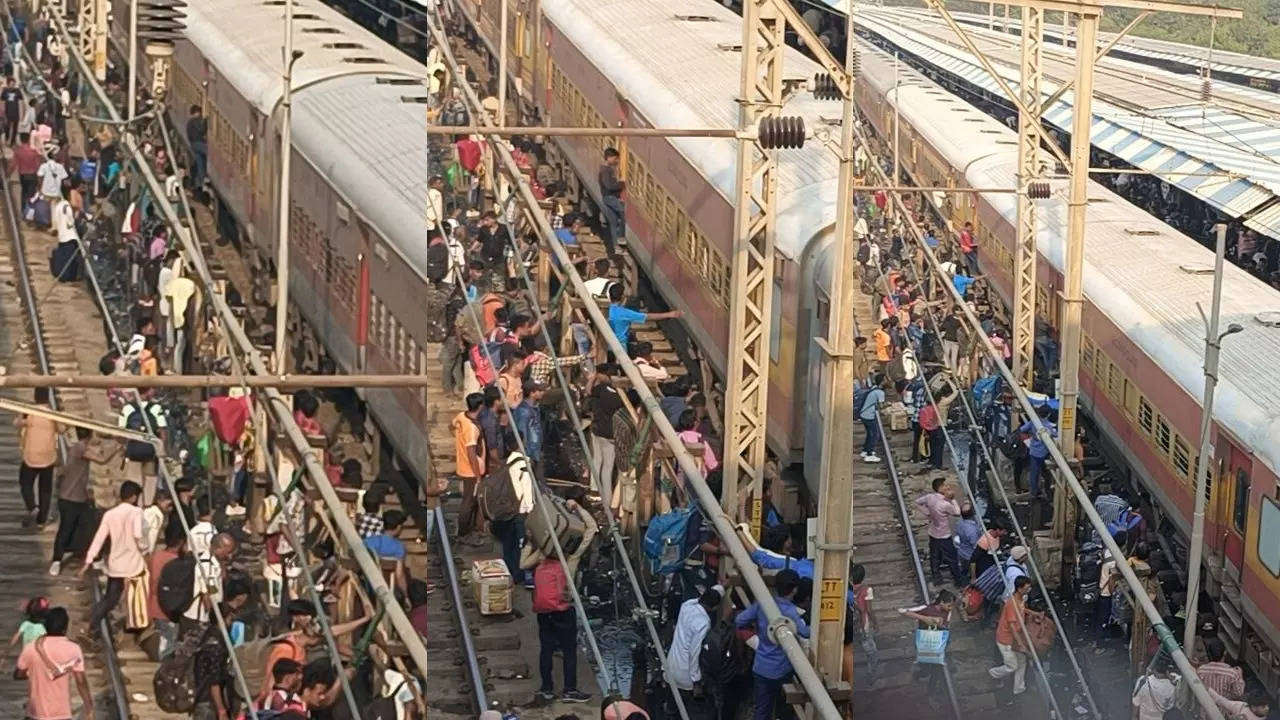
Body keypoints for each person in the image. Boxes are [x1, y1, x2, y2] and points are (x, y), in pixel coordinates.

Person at [736, 569, 810, 720]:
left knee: (762, 710)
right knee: (785, 711)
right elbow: (805, 633)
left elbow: (739, 620)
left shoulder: (762, 605)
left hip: (761, 667)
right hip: (783, 670)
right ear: (794, 590)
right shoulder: (790, 612)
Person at [81, 481, 148, 639]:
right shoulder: (137, 512)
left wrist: (88, 560)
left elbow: (99, 538)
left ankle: (93, 622)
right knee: (136, 597)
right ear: (133, 497)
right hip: (134, 564)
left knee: (111, 599)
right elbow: (138, 535)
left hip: (116, 564)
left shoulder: (110, 514)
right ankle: (135, 626)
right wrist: (145, 548)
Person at [50, 428, 118, 575]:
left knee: (89, 527)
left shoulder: (78, 447)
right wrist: (117, 446)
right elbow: (102, 460)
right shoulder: (80, 448)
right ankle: (56, 560)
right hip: (70, 498)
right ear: (90, 434)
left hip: (79, 497)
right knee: (67, 529)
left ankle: (95, 559)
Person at [15, 607, 92, 720]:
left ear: (45, 627)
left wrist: (35, 673)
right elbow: (80, 681)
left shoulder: (31, 647)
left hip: (35, 714)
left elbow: (18, 674)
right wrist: (88, 706)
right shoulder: (73, 649)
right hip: (61, 714)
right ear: (65, 628)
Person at [532, 555, 590, 704]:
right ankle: (569, 689)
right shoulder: (566, 565)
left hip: (543, 612)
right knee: (569, 651)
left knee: (546, 649)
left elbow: (523, 564)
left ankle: (546, 688)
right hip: (562, 612)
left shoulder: (540, 564)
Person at [17, 388, 60, 528]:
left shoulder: (30, 412)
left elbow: (16, 423)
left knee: (25, 483)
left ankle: (32, 507)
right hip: (48, 457)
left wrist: (21, 413)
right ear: (47, 398)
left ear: (35, 397)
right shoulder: (53, 414)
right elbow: (63, 428)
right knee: (45, 490)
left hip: (31, 456)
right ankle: (42, 521)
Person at [667, 586, 721, 692]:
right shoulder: (704, 622)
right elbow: (694, 651)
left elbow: (694, 601)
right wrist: (696, 679)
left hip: (670, 666)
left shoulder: (686, 607)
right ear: (714, 608)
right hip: (685, 673)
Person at [901, 590, 954, 697]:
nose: (950, 608)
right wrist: (925, 619)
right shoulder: (927, 609)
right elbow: (903, 611)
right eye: (949, 605)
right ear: (942, 602)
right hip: (925, 644)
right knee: (926, 669)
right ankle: (919, 674)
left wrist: (941, 625)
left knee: (936, 670)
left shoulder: (948, 612)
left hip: (938, 644)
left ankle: (930, 693)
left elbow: (947, 625)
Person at [988, 575, 1032, 695]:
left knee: (1022, 661)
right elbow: (1012, 626)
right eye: (1027, 588)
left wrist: (1035, 613)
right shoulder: (1012, 604)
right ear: (1019, 588)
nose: (1029, 589)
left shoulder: (1021, 600)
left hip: (1013, 637)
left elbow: (1023, 610)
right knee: (1012, 665)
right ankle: (993, 673)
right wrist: (1020, 643)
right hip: (1005, 639)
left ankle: (1019, 687)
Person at [191, 604, 236, 720]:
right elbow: (214, 680)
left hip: (201, 699)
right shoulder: (215, 646)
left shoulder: (206, 635)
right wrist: (221, 709)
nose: (231, 623)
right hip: (208, 703)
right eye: (230, 619)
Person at [147, 523, 185, 659]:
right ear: (181, 543)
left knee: (163, 636)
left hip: (153, 604)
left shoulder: (155, 556)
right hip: (168, 609)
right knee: (168, 640)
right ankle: (164, 668)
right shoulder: (176, 562)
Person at [588, 363, 624, 507]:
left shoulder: (601, 390)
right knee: (610, 466)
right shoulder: (623, 396)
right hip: (615, 433)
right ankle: (610, 499)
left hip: (599, 430)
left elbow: (588, 391)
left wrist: (592, 378)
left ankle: (598, 492)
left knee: (600, 462)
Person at [452, 392, 486, 538]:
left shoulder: (461, 416)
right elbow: (471, 453)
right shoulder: (471, 428)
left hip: (463, 465)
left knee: (470, 499)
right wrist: (478, 476)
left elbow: (451, 426)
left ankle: (468, 529)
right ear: (480, 406)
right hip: (471, 470)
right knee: (469, 501)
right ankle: (463, 532)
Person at [916, 478, 962, 586]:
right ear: (940, 488)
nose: (947, 487)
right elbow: (957, 512)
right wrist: (953, 499)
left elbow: (917, 502)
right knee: (952, 558)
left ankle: (936, 577)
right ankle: (958, 580)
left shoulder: (929, 497)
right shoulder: (944, 504)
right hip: (944, 535)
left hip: (933, 532)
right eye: (945, 486)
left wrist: (927, 513)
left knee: (934, 555)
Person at [606, 283, 681, 349]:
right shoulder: (623, 313)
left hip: (609, 343)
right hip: (620, 345)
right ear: (622, 296)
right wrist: (670, 314)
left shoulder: (608, 309)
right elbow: (647, 317)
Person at [849, 564, 880, 687]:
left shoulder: (848, 589)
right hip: (863, 626)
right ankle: (871, 675)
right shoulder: (867, 589)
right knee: (872, 653)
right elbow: (869, 610)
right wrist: (876, 623)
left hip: (851, 625)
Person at [1017, 410, 1056, 497]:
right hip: (1045, 452)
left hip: (1034, 451)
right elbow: (1055, 434)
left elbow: (1022, 429)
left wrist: (1031, 435)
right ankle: (1047, 491)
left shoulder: (1033, 422)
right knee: (1047, 474)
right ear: (1048, 414)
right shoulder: (1049, 425)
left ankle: (1034, 492)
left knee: (1034, 473)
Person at [5, 596, 49, 670]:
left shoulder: (26, 623)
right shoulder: (43, 627)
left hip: (26, 652)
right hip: (38, 655)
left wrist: (9, 648)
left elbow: (16, 636)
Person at [1196, 637, 1244, 701]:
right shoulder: (1233, 674)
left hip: (1205, 708)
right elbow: (1239, 693)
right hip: (1225, 709)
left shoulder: (1200, 671)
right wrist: (1240, 675)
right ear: (1224, 653)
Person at [598, 147, 626, 250]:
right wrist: (621, 184)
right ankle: (621, 238)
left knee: (613, 222)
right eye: (615, 158)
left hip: (608, 197)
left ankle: (616, 245)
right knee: (623, 213)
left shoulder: (605, 169)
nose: (616, 161)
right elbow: (609, 186)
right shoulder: (606, 171)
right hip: (610, 198)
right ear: (609, 158)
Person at [859, 375, 887, 463]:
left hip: (863, 414)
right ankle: (869, 454)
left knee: (869, 433)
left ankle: (865, 450)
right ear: (882, 382)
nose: (887, 381)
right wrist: (888, 404)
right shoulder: (880, 392)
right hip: (869, 416)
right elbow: (881, 406)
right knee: (875, 434)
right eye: (885, 379)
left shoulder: (873, 388)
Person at [953, 503, 982, 583]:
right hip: (970, 555)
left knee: (964, 570)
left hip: (962, 552)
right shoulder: (971, 530)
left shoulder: (960, 523)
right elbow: (975, 545)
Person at [1207, 688, 1272, 720]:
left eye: (1267, 705)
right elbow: (1222, 701)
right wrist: (1209, 690)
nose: (1267, 708)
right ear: (1253, 708)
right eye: (1263, 707)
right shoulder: (1240, 707)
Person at [187, 105, 208, 192]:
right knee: (209, 154)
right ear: (196, 113)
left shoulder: (189, 122)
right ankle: (203, 179)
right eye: (199, 112)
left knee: (200, 163)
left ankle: (200, 182)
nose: (200, 114)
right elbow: (201, 130)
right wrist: (206, 121)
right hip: (198, 143)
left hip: (193, 144)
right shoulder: (194, 121)